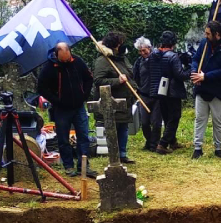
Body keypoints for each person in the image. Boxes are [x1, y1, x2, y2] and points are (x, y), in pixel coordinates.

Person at [36, 41, 97, 178]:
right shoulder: (50, 67)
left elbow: (88, 78)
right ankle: (68, 166)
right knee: (63, 139)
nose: (66, 61)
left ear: (70, 53)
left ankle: (84, 166)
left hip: (79, 106)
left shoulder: (78, 62)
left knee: (83, 136)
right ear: (56, 55)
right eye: (63, 60)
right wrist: (56, 100)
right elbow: (41, 87)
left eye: (68, 58)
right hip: (61, 109)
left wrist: (84, 94)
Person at [191, 21, 221, 159]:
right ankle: (197, 147)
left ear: (217, 34)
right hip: (201, 88)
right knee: (200, 118)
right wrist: (195, 71)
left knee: (218, 120)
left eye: (208, 33)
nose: (205, 36)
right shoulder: (204, 43)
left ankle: (218, 148)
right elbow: (195, 58)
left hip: (218, 89)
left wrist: (206, 76)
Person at [93, 32, 135, 164]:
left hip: (125, 100)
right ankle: (114, 155)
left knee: (124, 127)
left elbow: (129, 73)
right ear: (115, 45)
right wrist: (117, 80)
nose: (122, 45)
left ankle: (123, 154)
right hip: (112, 100)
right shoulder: (103, 60)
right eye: (120, 43)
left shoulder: (121, 58)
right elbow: (98, 80)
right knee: (114, 129)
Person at [148, 30, 189, 155]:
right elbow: (180, 75)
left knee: (166, 116)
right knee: (174, 117)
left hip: (159, 90)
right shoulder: (172, 56)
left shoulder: (154, 55)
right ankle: (163, 143)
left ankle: (172, 141)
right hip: (172, 91)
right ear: (173, 43)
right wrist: (190, 69)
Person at [132, 37, 157, 151]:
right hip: (143, 95)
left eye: (144, 50)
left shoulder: (157, 58)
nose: (143, 53)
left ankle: (154, 144)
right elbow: (135, 77)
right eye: (140, 51)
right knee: (145, 122)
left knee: (156, 122)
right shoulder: (138, 62)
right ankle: (149, 141)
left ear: (149, 48)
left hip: (157, 96)